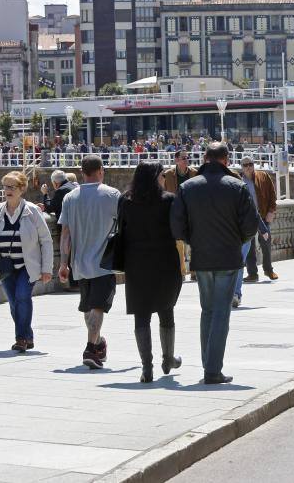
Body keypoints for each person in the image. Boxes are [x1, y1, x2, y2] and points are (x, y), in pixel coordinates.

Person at [170, 143, 258, 384]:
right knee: (221, 312)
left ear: (205, 158)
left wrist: (194, 240)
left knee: (207, 311)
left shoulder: (187, 187)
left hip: (202, 257)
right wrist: (237, 239)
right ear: (226, 160)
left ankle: (208, 364)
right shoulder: (237, 186)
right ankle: (212, 370)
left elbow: (177, 225)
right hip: (228, 256)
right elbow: (251, 225)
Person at [121, 161, 183, 383]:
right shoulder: (168, 200)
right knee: (166, 310)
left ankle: (147, 368)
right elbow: (178, 229)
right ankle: (168, 359)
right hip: (165, 261)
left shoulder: (126, 201)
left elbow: (121, 229)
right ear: (156, 177)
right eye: (162, 175)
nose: (164, 179)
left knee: (141, 314)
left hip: (136, 263)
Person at [0, 171, 53, 353]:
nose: (7, 190)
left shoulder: (32, 211)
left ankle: (20, 338)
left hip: (27, 266)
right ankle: (27, 336)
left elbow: (46, 240)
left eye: (12, 187)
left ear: (22, 189)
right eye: (5, 187)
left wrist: (47, 268)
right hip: (5, 267)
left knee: (22, 297)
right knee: (13, 303)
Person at [58, 155, 121, 369]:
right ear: (101, 170)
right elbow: (125, 226)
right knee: (97, 307)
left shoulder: (70, 198)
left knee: (89, 307)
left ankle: (97, 343)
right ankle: (91, 348)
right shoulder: (112, 195)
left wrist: (63, 263)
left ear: (82, 172)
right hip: (103, 262)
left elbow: (65, 234)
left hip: (79, 263)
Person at [240, 156, 279, 282]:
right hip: (247, 219)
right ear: (242, 167)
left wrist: (271, 211)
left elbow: (273, 194)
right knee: (249, 247)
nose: (248, 167)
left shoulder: (263, 176)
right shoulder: (239, 180)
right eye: (245, 165)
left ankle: (269, 270)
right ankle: (252, 273)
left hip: (263, 216)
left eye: (250, 164)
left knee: (266, 243)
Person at [162, 150, 199, 280]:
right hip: (175, 212)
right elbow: (163, 193)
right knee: (178, 243)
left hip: (192, 211)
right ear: (176, 160)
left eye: (187, 157)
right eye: (183, 158)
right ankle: (182, 271)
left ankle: (194, 271)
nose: (186, 160)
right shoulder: (168, 174)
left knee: (194, 241)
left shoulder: (195, 173)